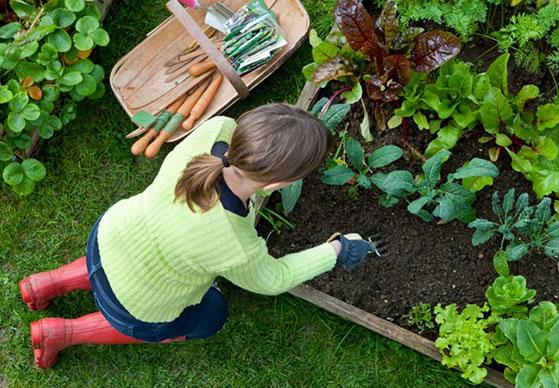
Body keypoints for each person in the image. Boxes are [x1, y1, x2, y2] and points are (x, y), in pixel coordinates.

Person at [19, 103, 375, 369]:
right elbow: (274, 278)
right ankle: (61, 334)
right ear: (278, 185)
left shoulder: (216, 130)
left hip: (110, 234)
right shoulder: (234, 244)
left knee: (124, 259)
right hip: (134, 304)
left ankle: (46, 284)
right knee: (211, 314)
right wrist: (336, 250)